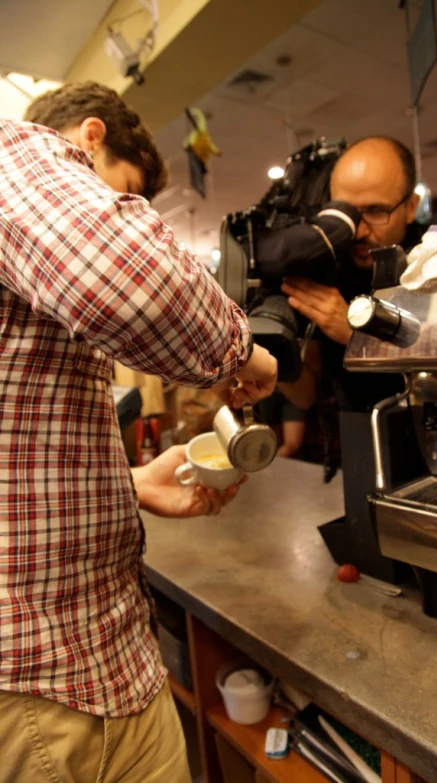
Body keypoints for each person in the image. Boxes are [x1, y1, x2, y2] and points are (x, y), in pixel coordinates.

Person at [0, 81, 277, 783]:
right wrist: (243, 352)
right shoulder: (18, 153)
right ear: (89, 138)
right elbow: (132, 284)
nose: (122, 215)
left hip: (99, 662)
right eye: (121, 194)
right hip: (52, 679)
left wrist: (128, 483)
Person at [278, 136, 423, 426]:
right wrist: (268, 347)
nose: (356, 230)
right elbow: (306, 395)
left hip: (430, 438)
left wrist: (353, 335)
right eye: (343, 212)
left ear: (410, 207)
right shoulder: (327, 269)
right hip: (355, 436)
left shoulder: (436, 265)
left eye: (376, 211)